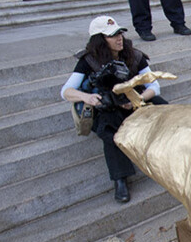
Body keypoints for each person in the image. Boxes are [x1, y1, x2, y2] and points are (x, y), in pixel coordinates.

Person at [61, 16, 167, 202]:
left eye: (120, 34)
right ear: (100, 40)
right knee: (110, 129)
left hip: (133, 102)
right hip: (108, 108)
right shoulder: (89, 61)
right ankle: (120, 179)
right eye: (112, 36)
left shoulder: (134, 55)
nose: (119, 39)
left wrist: (138, 99)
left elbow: (154, 86)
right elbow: (66, 91)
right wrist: (88, 97)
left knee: (164, 110)